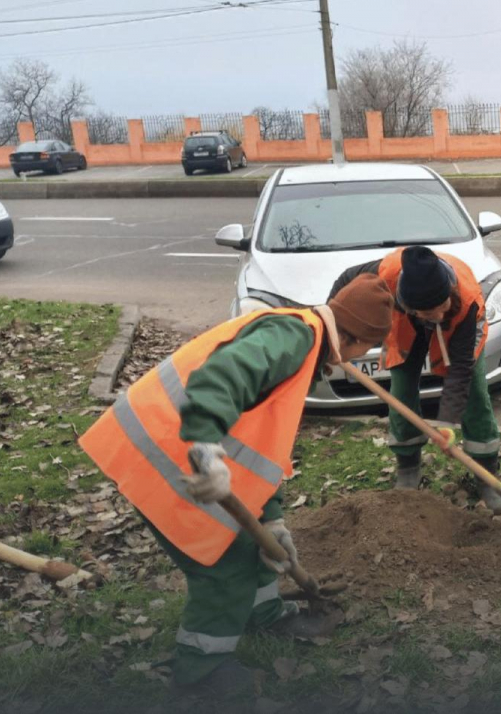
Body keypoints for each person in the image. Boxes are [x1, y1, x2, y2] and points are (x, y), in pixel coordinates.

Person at [78, 274, 394, 695]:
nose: (354, 359)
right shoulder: (294, 337)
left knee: (253, 546)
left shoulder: (304, 338)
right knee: (222, 568)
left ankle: (264, 615)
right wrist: (206, 445)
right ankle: (200, 669)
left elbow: (264, 446)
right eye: (364, 349)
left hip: (174, 444)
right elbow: (219, 377)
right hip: (168, 448)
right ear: (355, 340)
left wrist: (275, 521)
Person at [329, 246, 501, 513]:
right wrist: (332, 331)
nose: (436, 315)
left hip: (458, 328)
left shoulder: (466, 299)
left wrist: (445, 423)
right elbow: (344, 283)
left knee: (475, 394)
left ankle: (485, 474)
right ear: (409, 305)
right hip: (404, 328)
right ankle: (408, 466)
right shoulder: (383, 275)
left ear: (448, 293)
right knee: (401, 392)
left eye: (440, 307)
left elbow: (459, 373)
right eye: (427, 312)